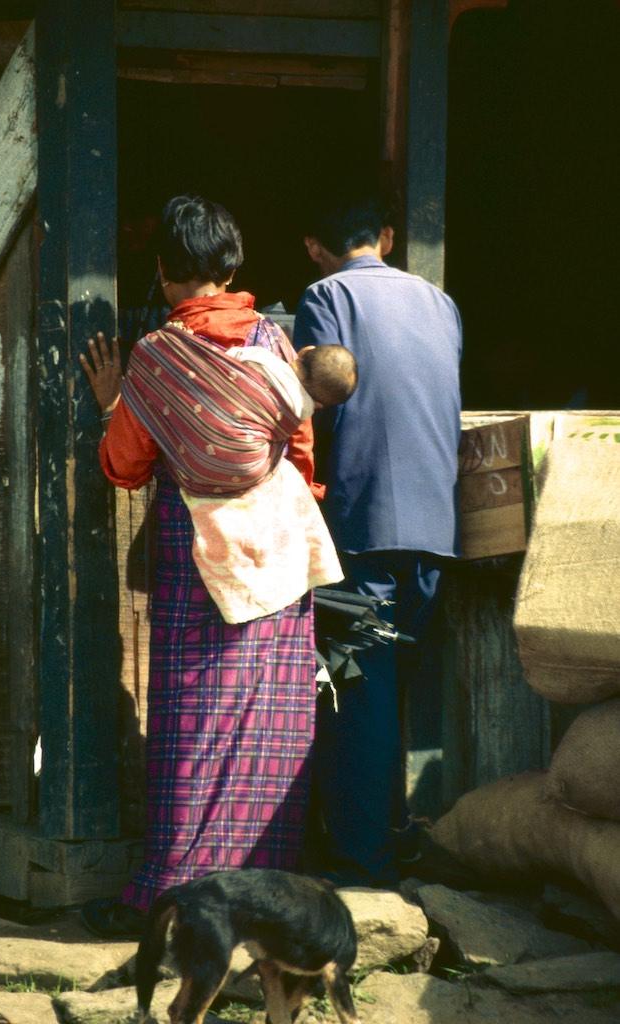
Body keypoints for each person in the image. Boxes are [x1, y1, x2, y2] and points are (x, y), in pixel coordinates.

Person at [79, 195, 329, 937]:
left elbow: (124, 468)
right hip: (278, 557)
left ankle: (172, 900)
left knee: (192, 725)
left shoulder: (158, 356)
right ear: (231, 264)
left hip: (199, 562)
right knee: (269, 724)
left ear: (163, 272)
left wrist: (111, 404)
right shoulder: (276, 344)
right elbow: (304, 455)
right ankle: (263, 896)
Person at [293, 189, 462, 889]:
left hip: (363, 524)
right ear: (386, 238)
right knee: (387, 690)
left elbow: (319, 404)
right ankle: (392, 835)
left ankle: (362, 862)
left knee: (355, 691)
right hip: (436, 529)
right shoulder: (440, 302)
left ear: (314, 247)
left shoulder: (325, 295)